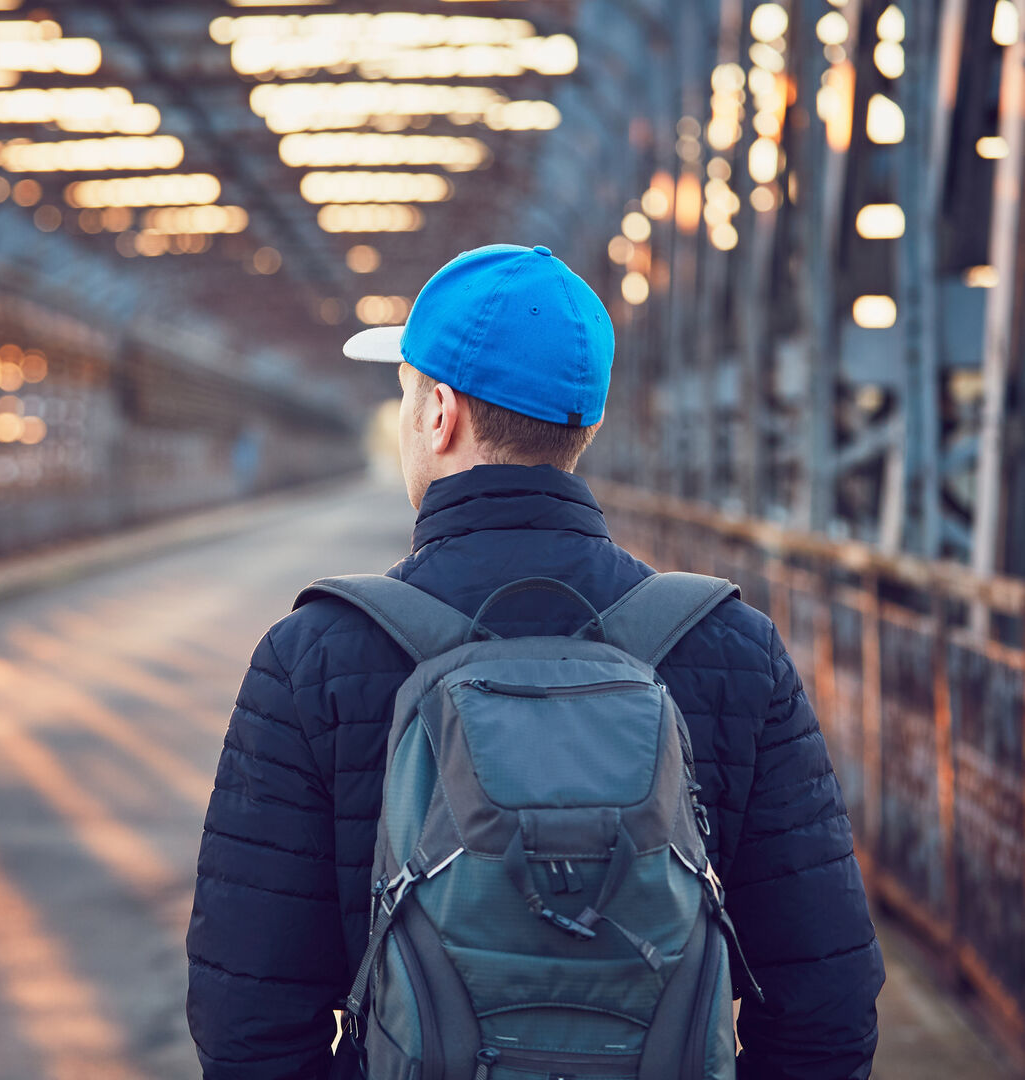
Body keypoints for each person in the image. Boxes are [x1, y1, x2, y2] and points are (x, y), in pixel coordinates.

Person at [185, 244, 883, 1079]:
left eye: (407, 396)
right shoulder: (730, 649)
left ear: (438, 413)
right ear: (584, 425)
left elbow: (248, 1022)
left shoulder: (313, 658)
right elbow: (826, 1009)